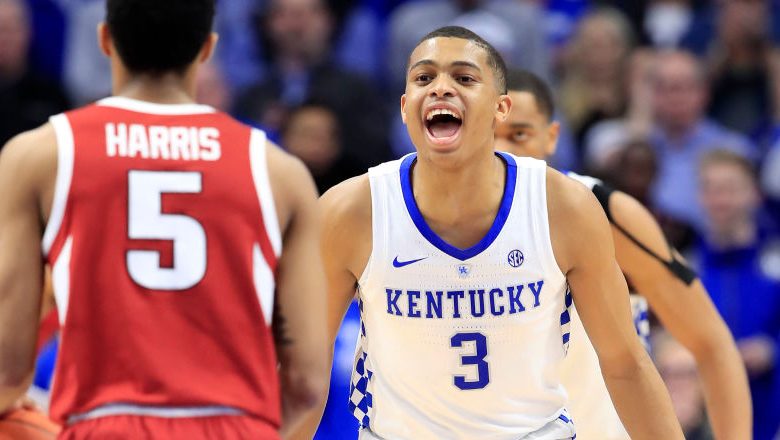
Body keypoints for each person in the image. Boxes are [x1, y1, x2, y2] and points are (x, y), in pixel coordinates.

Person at [302, 26, 684, 439]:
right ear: (405, 106)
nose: (440, 88)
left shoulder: (564, 207)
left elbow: (626, 364)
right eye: (424, 78)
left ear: (501, 108)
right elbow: (303, 371)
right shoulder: (350, 212)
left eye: (464, 78)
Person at [0, 0, 329, 438]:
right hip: (232, 425)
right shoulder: (278, 171)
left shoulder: (41, 154)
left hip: (103, 426)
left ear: (105, 40)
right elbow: (306, 384)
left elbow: (7, 367)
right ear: (207, 48)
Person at [493, 69, 752, 440]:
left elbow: (712, 342)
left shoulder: (603, 210)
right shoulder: (436, 222)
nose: (504, 150)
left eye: (519, 134)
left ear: (550, 137)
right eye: (491, 134)